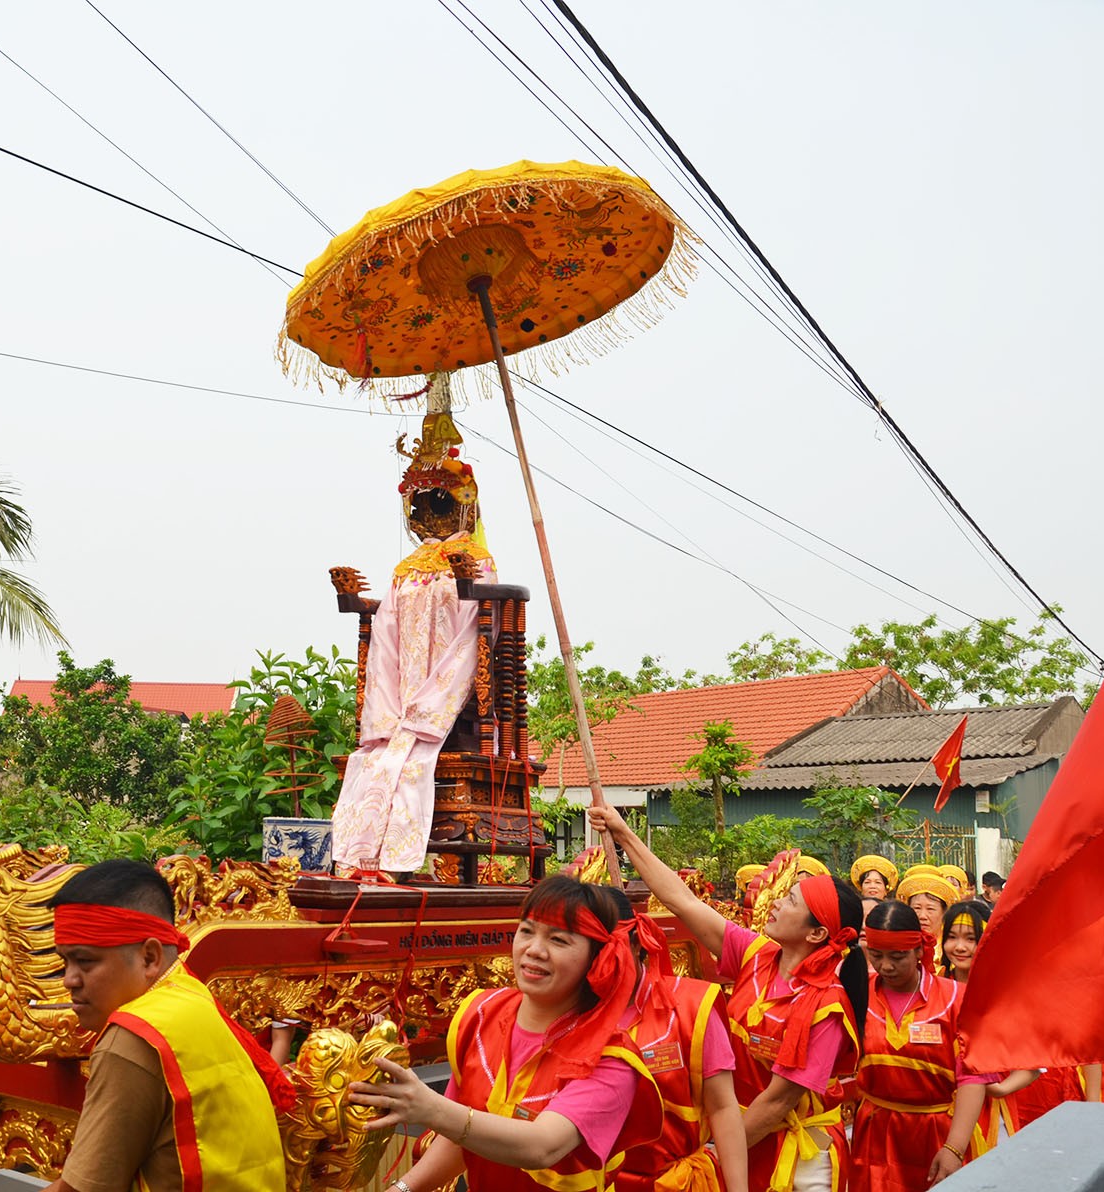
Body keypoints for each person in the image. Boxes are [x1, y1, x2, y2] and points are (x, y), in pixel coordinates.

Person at [590, 806, 863, 1192]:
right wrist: (624, 834)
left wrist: (714, 1155)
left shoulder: (826, 1007)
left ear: (816, 934)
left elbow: (776, 1104)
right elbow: (683, 902)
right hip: (738, 1136)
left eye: (791, 901)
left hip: (796, 1158)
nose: (776, 902)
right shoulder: (756, 956)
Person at [349, 875, 664, 1191]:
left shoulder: (610, 1056)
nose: (534, 950)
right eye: (526, 931)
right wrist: (402, 1189)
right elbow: (462, 1139)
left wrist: (431, 1109)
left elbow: (542, 1147)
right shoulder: (480, 1014)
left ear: (598, 959)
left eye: (558, 940)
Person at [43, 859, 290, 1192]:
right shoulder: (191, 996)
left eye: (85, 961)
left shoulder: (135, 1036)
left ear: (149, 957)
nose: (69, 980)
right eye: (65, 962)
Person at [331, 400, 495, 878]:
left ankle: (393, 861)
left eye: (440, 501)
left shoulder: (478, 563)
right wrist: (388, 712)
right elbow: (385, 634)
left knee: (411, 761)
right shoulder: (407, 569)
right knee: (372, 760)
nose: (430, 511)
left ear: (463, 505)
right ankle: (357, 859)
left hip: (443, 698)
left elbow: (474, 632)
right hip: (401, 698)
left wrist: (427, 707)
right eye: (423, 502)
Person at [605, 889, 747, 1192]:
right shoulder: (568, 1010)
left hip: (677, 1181)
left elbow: (723, 1108)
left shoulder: (690, 1006)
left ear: (636, 943)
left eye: (605, 949)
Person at [851, 900, 990, 1191]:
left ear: (919, 950)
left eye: (897, 956)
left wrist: (954, 1148)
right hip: (875, 1134)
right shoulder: (858, 993)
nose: (886, 966)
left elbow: (973, 1076)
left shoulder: (955, 999)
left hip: (938, 1133)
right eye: (876, 955)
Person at [939, 901, 990, 983]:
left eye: (971, 939)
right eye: (952, 937)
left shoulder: (1002, 987)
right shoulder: (932, 985)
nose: (960, 947)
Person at [893, 871, 954, 940]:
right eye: (917, 908)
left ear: (944, 912)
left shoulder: (951, 944)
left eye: (930, 909)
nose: (922, 916)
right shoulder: (899, 942)